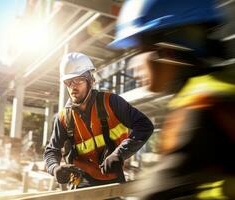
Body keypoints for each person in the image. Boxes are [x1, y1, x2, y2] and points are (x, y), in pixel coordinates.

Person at [110, 0, 235, 199]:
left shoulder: (203, 104)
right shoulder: (219, 89)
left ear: (167, 47)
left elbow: (156, 193)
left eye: (139, 50)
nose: (132, 67)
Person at [44, 52, 154, 188]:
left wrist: (120, 154)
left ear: (91, 80)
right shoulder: (63, 118)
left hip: (112, 178)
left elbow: (144, 125)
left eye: (78, 80)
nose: (73, 86)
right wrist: (54, 168)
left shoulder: (111, 102)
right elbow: (51, 150)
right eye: (68, 82)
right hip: (80, 182)